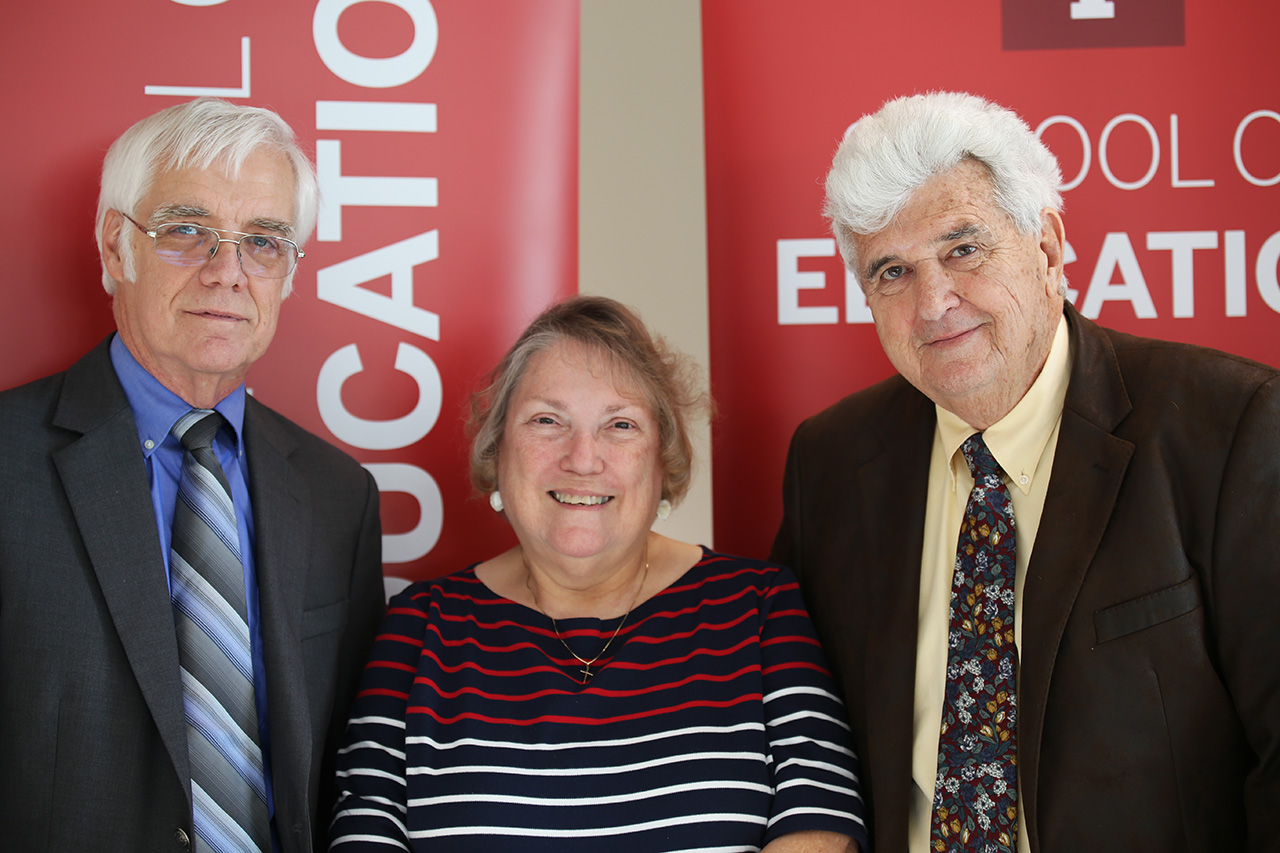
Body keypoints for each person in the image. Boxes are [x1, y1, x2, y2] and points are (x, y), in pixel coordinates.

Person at [771, 89, 1280, 852]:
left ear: (1047, 247)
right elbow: (794, 735)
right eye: (891, 272)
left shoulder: (1229, 426)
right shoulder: (833, 463)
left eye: (962, 249)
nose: (934, 301)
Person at [330, 295, 867, 851]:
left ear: (663, 461)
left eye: (620, 425)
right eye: (547, 420)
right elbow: (365, 828)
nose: (583, 458)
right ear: (498, 452)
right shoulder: (420, 627)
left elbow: (822, 819)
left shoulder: (759, 607)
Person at [0, 97, 385, 852]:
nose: (228, 273)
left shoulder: (340, 495)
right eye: (187, 232)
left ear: (289, 272)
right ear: (117, 249)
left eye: (264, 242)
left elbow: (347, 765)